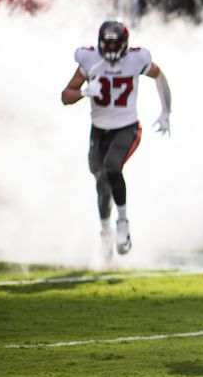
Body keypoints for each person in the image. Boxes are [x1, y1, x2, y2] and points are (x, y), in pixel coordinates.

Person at [60, 20, 172, 260]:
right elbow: (65, 96)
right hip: (99, 130)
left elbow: (159, 76)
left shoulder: (136, 59)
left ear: (124, 44)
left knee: (112, 167)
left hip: (127, 127)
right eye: (107, 44)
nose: (110, 50)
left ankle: (122, 223)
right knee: (100, 181)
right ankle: (105, 233)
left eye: (115, 44)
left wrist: (166, 112)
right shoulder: (90, 60)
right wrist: (83, 93)